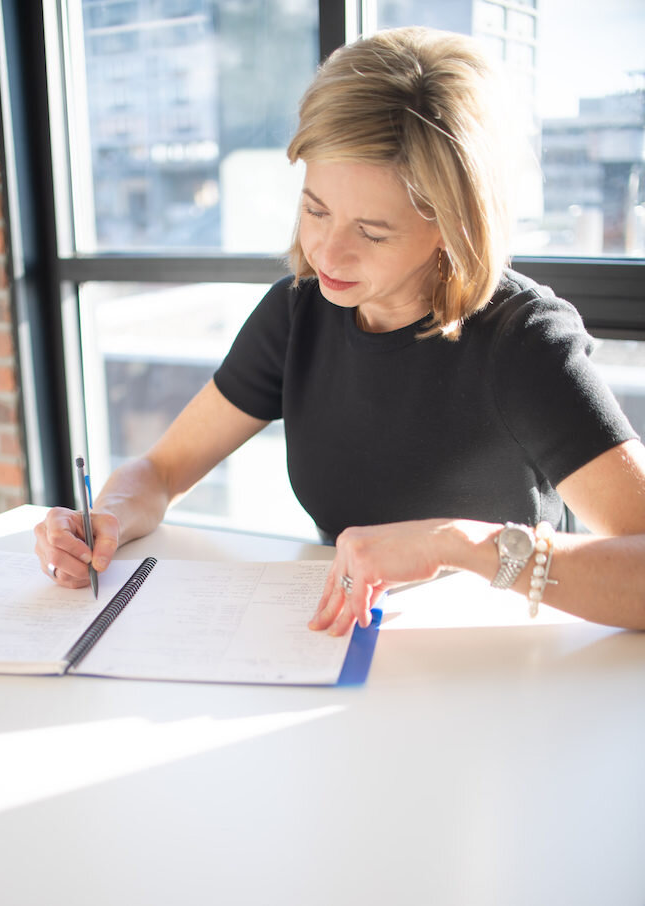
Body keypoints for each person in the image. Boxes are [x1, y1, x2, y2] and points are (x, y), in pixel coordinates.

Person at [35, 26, 645, 631]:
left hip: (505, 663)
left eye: (371, 232)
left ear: (453, 227)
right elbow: (162, 471)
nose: (327, 253)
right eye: (315, 209)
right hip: (346, 647)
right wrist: (105, 516)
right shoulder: (298, 313)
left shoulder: (524, 344)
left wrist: (460, 545)